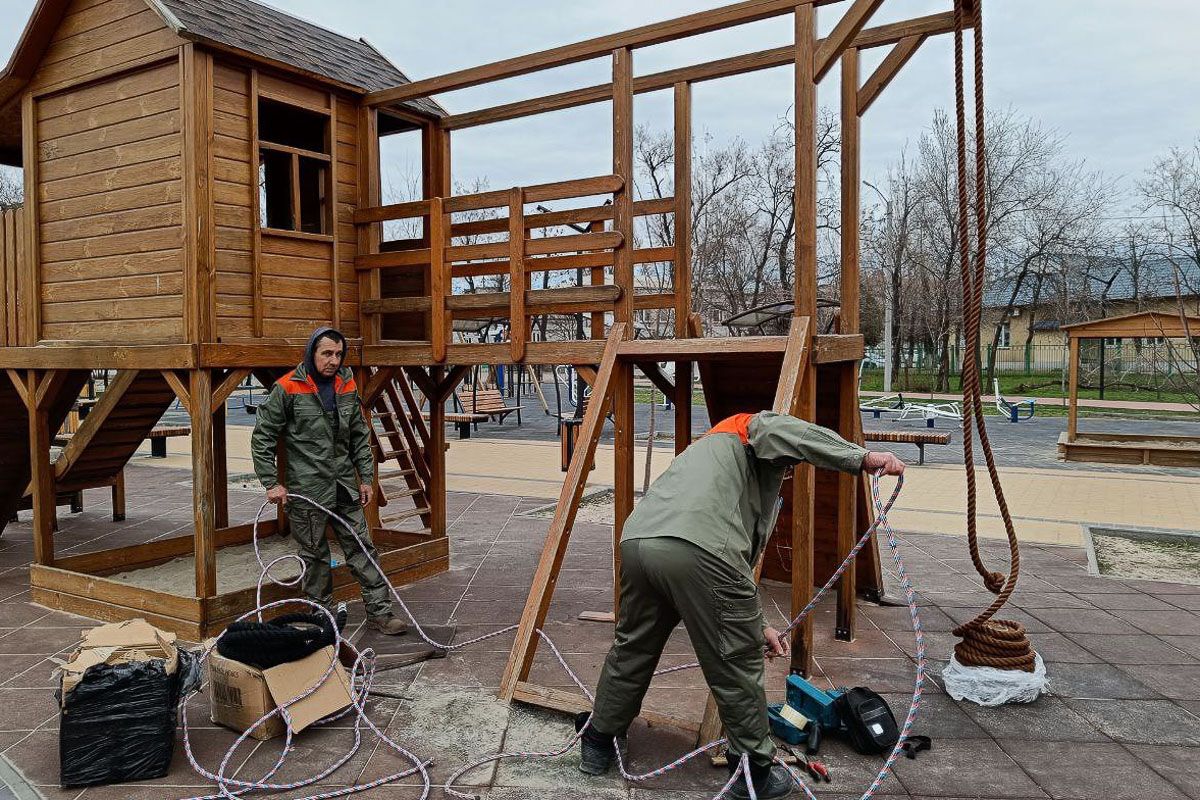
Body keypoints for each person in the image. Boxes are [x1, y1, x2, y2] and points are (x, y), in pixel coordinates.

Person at [580, 411, 905, 799]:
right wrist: (861, 458)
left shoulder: (705, 456)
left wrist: (758, 625)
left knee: (632, 648)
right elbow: (790, 434)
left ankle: (598, 741)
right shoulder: (751, 426)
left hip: (639, 543)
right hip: (700, 550)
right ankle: (754, 772)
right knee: (737, 666)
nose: (788, 471)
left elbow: (731, 575)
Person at [250, 326, 407, 635]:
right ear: (312, 353)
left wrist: (366, 478)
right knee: (315, 557)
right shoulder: (287, 388)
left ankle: (380, 612)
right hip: (307, 490)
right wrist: (271, 482)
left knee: (363, 549)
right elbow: (262, 438)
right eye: (326, 353)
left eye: (338, 354)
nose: (333, 360)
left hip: (344, 486)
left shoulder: (346, 385)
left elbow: (360, 436)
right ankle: (323, 616)